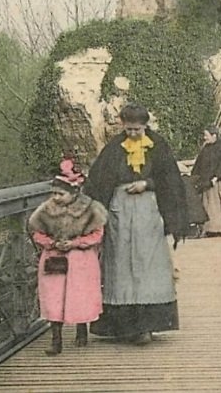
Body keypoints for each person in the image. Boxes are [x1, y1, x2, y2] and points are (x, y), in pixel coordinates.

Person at [84, 103, 189, 344]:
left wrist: (147, 183)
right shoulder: (113, 149)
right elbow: (98, 181)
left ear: (145, 125)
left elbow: (170, 179)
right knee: (120, 265)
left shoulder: (158, 146)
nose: (132, 133)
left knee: (148, 264)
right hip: (119, 213)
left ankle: (147, 326)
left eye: (137, 129)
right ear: (122, 125)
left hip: (148, 213)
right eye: (129, 129)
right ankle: (122, 327)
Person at [28, 159, 108, 355]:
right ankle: (56, 339)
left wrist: (76, 243)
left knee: (79, 294)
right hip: (54, 258)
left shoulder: (90, 209)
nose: (55, 198)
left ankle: (82, 329)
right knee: (54, 297)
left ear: (74, 192)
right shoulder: (46, 210)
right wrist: (51, 243)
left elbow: (97, 234)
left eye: (60, 194)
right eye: (53, 193)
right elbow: (37, 232)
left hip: (80, 258)